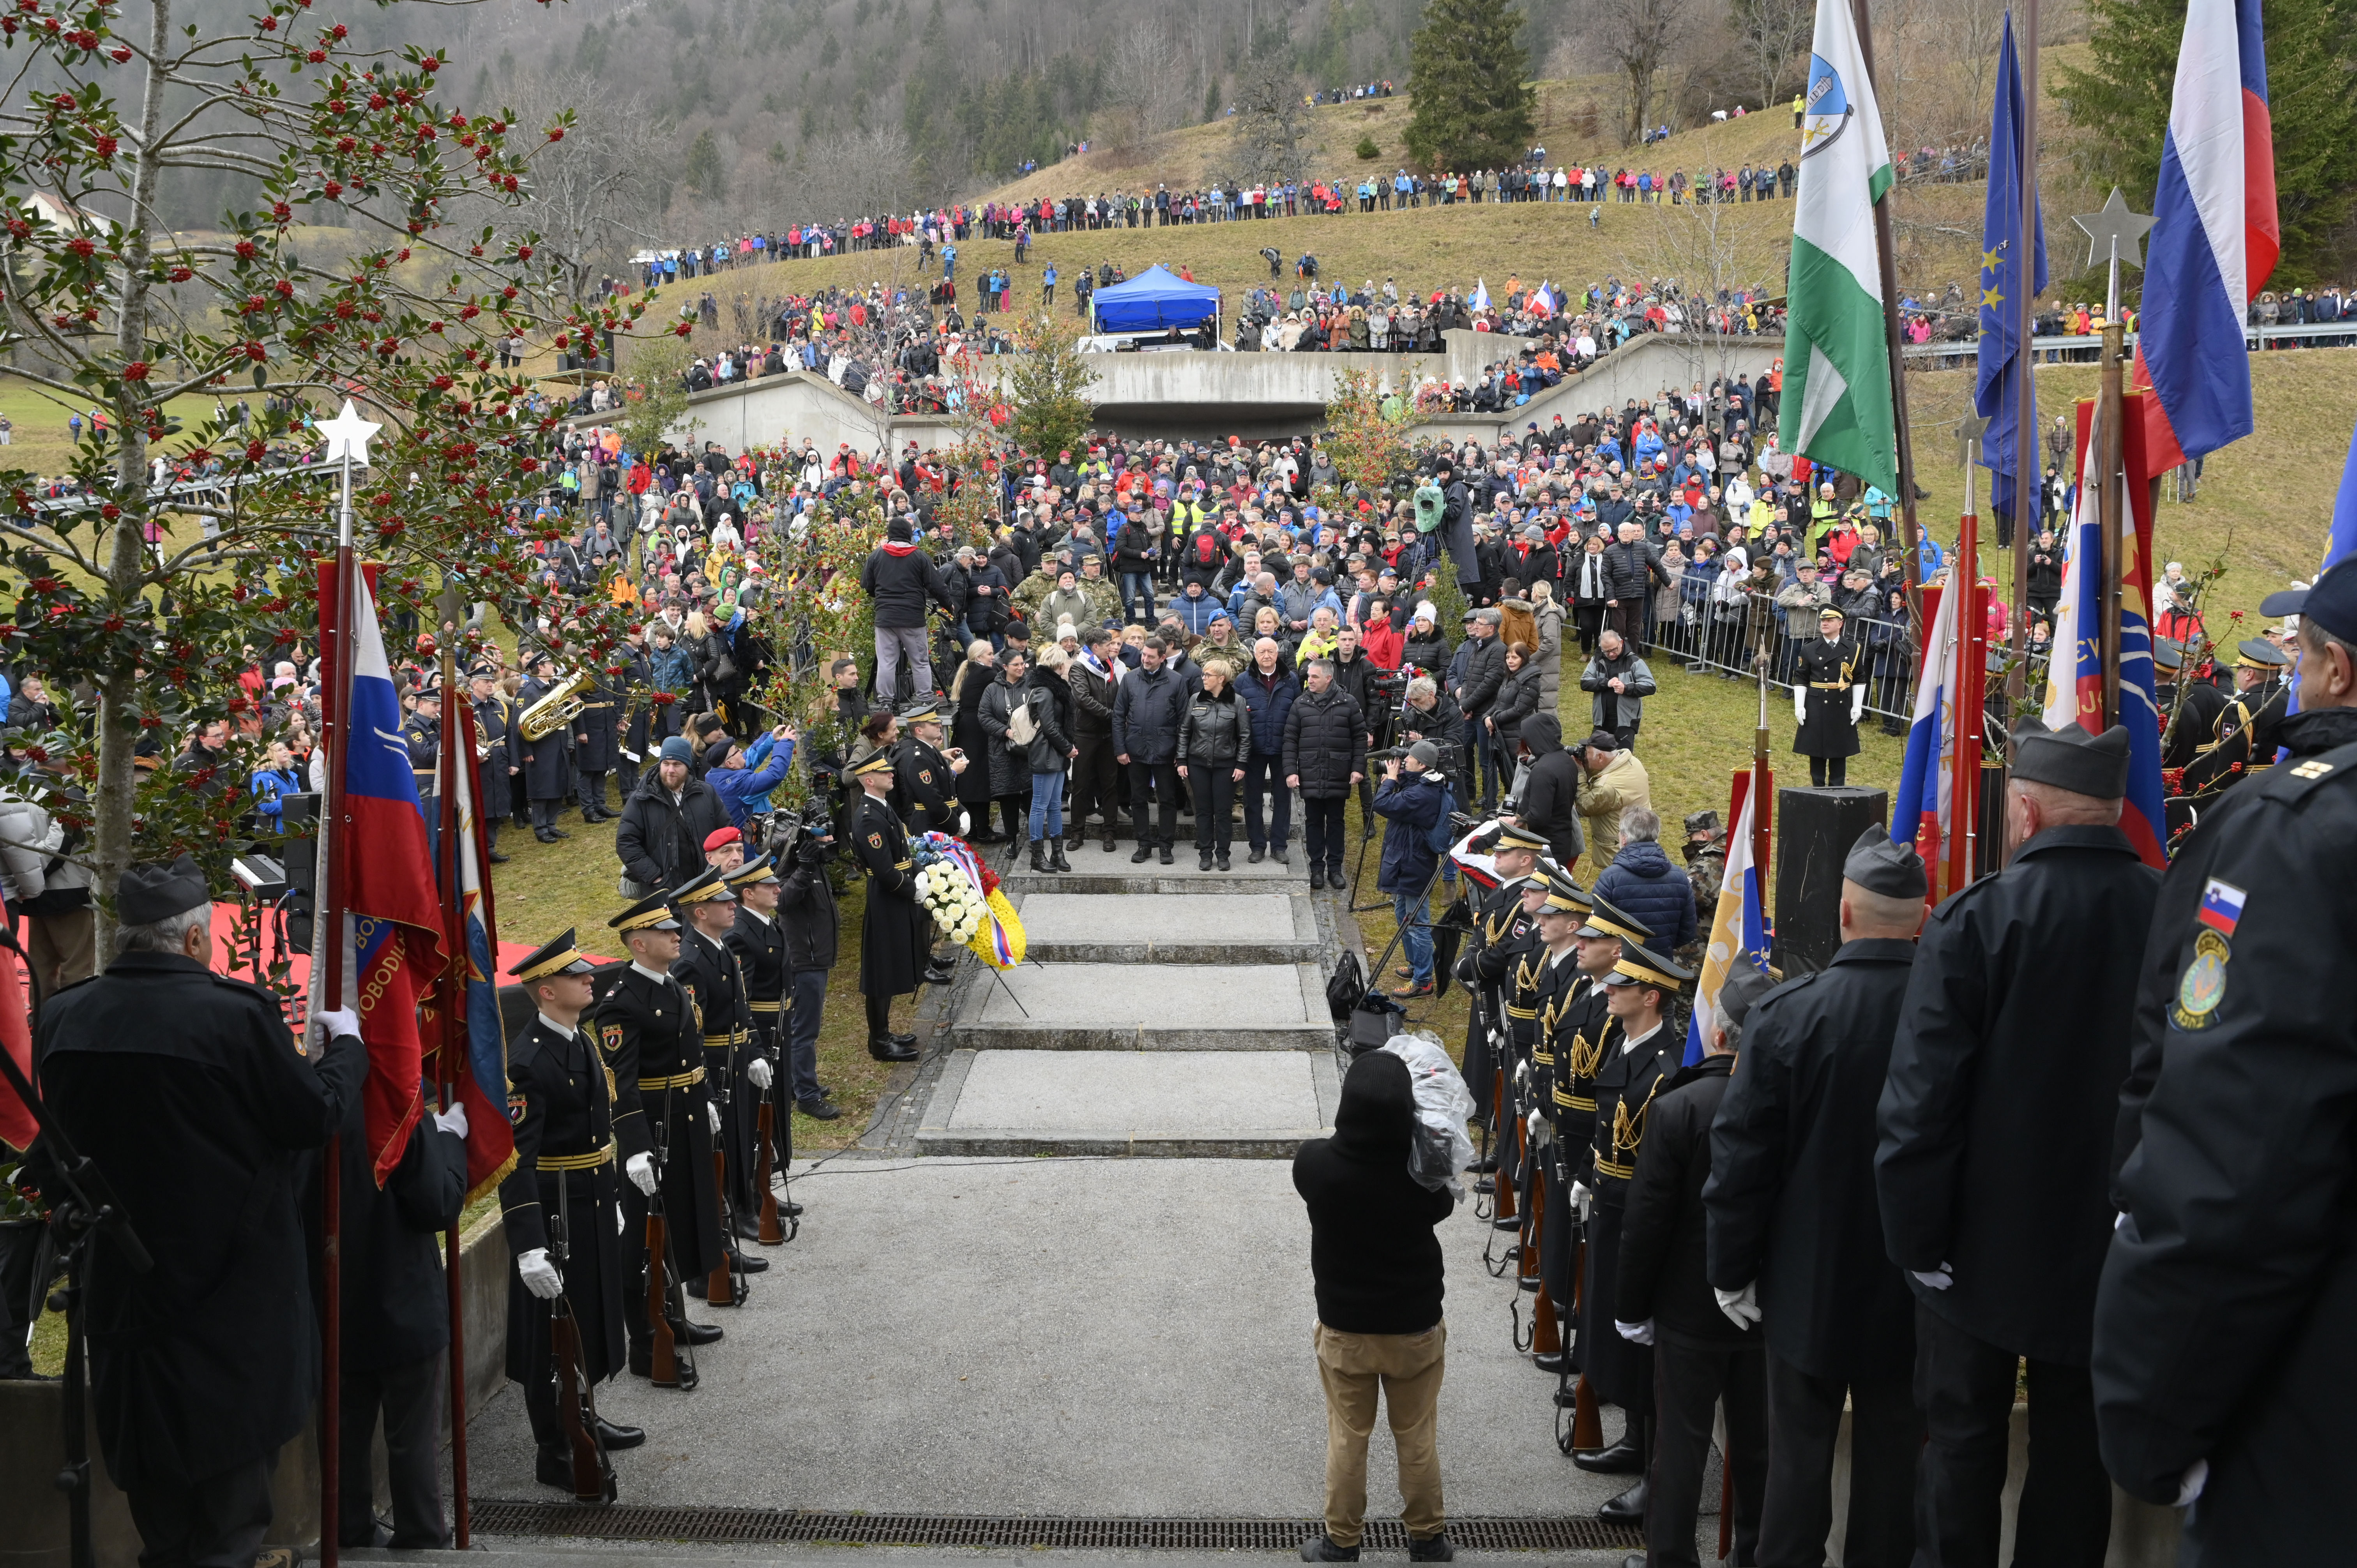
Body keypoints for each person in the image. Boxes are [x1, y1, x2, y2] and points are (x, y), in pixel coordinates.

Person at [2093, 568, 2357, 1562]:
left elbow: (2236, 1154)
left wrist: (2150, 1408)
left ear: (2334, 667)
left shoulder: (2295, 833)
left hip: (2311, 1410)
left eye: (2299, 655)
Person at [1876, 722, 2159, 1568]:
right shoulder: (2170, 913)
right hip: (2111, 1248)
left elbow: (1921, 1102)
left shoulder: (1978, 918)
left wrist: (1915, 1240)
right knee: (2077, 1456)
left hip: (1975, 1250)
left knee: (1961, 1445)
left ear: (2026, 813)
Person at [28, 856, 365, 1567]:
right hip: (232, 1295)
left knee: (159, 1493)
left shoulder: (64, 1013)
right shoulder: (233, 1015)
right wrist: (349, 1055)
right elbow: (312, 1116)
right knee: (231, 1503)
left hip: (128, 1288)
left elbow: (55, 1145)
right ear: (190, 941)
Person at [1706, 829, 1929, 1568]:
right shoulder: (1952, 1011)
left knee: (1796, 1465)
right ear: (1921, 920)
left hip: (1807, 1281)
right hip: (1914, 1279)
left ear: (1843, 913)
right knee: (1892, 1466)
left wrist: (1728, 1266)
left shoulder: (1790, 1013)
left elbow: (1743, 1156)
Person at [1614, 965, 1778, 1568]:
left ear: (1717, 1036)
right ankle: (1755, 1552)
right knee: (1759, 1443)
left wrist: (1631, 1307)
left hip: (1687, 1308)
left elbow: (1648, 1219)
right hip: (1764, 1303)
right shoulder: (1787, 1104)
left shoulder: (1681, 1106)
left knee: (1680, 1442)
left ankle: (1671, 1558)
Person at [1291, 1051, 1458, 1564]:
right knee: (1416, 1437)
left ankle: (1341, 1541)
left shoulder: (1316, 1166)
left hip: (1346, 1329)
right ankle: (1427, 1538)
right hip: (1414, 1328)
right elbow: (1445, 1201)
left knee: (1347, 1437)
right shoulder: (1421, 1176)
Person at [501, 931, 648, 1487]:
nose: (591, 979)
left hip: (588, 1199)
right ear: (546, 992)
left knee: (583, 1320)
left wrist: (609, 1192)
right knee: (550, 1334)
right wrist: (528, 1243)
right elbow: (518, 1157)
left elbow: (596, 1128)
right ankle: (554, 1449)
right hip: (554, 1209)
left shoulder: (578, 1038)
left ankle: (582, 1415)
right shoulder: (529, 1062)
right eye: (576, 975)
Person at [1570, 939, 1694, 1526]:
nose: (1610, 990)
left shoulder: (1669, 1068)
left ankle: (1653, 1468)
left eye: (1623, 986)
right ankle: (1634, 1439)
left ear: (1651, 997)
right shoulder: (1626, 1044)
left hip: (1640, 1217)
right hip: (1611, 1206)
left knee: (1645, 1344)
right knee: (1617, 1334)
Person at [595, 890, 727, 1375]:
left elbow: (693, 1052)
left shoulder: (672, 984)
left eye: (675, 928)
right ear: (638, 943)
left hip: (687, 1114)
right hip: (654, 1129)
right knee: (646, 1240)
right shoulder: (620, 1004)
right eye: (664, 931)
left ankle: (674, 1315)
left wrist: (708, 1097)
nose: (676, 935)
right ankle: (647, 1343)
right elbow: (619, 1084)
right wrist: (633, 1147)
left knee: (679, 1223)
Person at [671, 865, 767, 1253]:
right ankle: (731, 1214)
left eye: (731, 900)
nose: (732, 907)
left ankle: (747, 1203)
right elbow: (690, 1034)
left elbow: (742, 1009)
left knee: (744, 1135)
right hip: (715, 1064)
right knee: (724, 1143)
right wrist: (707, 1090)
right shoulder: (691, 961)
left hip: (738, 1057)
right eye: (722, 902)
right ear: (699, 912)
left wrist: (756, 1052)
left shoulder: (722, 948)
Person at [848, 745, 931, 1060]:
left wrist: (919, 873)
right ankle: (879, 1041)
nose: (891, 773)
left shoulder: (883, 807)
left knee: (890, 966)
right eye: (884, 772)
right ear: (869, 780)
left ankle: (884, 1032)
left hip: (898, 895)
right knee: (881, 972)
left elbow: (904, 851)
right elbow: (883, 870)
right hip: (888, 898)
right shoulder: (869, 818)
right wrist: (912, 890)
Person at [1371, 740, 1448, 996]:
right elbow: (1408, 788)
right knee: (1403, 915)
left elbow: (1383, 805)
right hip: (1408, 859)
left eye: (1410, 758)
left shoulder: (1423, 794)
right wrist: (1395, 779)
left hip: (1415, 863)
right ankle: (1417, 966)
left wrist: (1391, 782)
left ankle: (1424, 981)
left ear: (1423, 764)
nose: (1405, 762)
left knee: (1418, 924)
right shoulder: (1423, 783)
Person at [1285, 657, 1368, 892]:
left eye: (1314, 677)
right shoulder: (1300, 704)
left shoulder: (1349, 703)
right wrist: (1291, 771)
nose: (1309, 680)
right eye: (1309, 676)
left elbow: (1360, 738)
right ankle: (1317, 868)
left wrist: (1357, 767)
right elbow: (1290, 740)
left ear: (1328, 678)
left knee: (1336, 822)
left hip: (1338, 771)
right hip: (1310, 771)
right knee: (1312, 822)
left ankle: (1335, 868)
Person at [860, 516, 956, 704]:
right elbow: (936, 585)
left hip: (885, 618)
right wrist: (949, 605)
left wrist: (881, 596)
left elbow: (866, 585)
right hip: (913, 618)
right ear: (908, 534)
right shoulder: (919, 556)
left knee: (886, 663)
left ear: (889, 534)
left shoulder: (876, 556)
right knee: (920, 662)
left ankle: (886, 702)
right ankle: (926, 701)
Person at [617, 736, 730, 895]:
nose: (671, 770)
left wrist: (718, 866)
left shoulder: (706, 793)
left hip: (706, 884)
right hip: (663, 891)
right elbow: (626, 843)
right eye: (666, 764)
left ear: (687, 766)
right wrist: (654, 877)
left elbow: (726, 831)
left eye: (677, 764)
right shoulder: (641, 799)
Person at [1113, 635, 1191, 866]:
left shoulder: (1177, 681)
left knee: (1167, 799)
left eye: (1150, 656)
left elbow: (1185, 720)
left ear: (1162, 658)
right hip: (1136, 749)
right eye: (1143, 655)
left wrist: (1181, 753)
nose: (1145, 659)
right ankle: (1144, 844)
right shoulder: (1129, 679)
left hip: (1166, 751)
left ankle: (1166, 846)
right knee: (1138, 799)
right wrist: (1120, 748)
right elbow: (1118, 716)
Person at [1591, 805, 1697, 956]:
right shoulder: (1680, 877)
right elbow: (1688, 932)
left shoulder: (1610, 878)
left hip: (1619, 968)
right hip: (1662, 966)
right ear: (1656, 835)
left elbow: (1594, 926)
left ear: (1624, 838)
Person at [1177, 657, 1248, 871]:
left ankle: (1223, 855)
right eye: (1204, 675)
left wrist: (1241, 764)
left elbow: (1245, 736)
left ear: (1222, 678)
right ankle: (1206, 854)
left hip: (1226, 765)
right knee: (1204, 811)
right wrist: (1181, 760)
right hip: (1198, 764)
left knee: (1224, 811)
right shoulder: (1196, 699)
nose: (1204, 678)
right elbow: (1185, 732)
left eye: (1208, 675)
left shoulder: (1238, 702)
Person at [1238, 636, 1300, 865]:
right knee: (1252, 799)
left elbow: (1297, 712)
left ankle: (1279, 846)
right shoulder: (1243, 680)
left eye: (1271, 652)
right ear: (1255, 654)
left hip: (1283, 747)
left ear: (1278, 654)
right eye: (1262, 652)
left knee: (1283, 799)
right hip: (1253, 748)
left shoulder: (1290, 679)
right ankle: (1257, 846)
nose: (1266, 656)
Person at [1792, 606, 1864, 787]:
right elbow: (1801, 678)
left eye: (1830, 620)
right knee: (1816, 749)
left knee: (1840, 749)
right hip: (1816, 703)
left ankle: (1837, 790)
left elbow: (1860, 678)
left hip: (1841, 703)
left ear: (1840, 624)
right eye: (1823, 620)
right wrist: (1799, 706)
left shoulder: (1853, 648)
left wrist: (1857, 706)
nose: (1824, 623)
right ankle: (1818, 790)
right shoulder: (1810, 649)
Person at [1577, 731, 1652, 881]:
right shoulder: (1632, 762)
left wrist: (1580, 773)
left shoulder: (1607, 788)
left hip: (1617, 847)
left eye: (1588, 754)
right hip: (1642, 834)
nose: (1585, 757)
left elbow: (1585, 806)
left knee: (1618, 881)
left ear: (1600, 757)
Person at [1511, 714, 1584, 869]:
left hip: (1545, 848)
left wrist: (1515, 823)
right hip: (1563, 840)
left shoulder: (1543, 770)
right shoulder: (1566, 760)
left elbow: (1538, 817)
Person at [516, 652, 574, 841]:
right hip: (540, 748)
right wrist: (526, 751)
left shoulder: (555, 688)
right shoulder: (527, 692)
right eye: (550, 664)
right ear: (540, 667)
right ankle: (540, 828)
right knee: (542, 788)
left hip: (558, 741)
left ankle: (551, 824)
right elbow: (520, 724)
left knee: (558, 784)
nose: (554, 667)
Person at [1579, 629, 1656, 751]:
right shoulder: (1597, 660)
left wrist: (1626, 688)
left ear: (1621, 643)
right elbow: (1585, 683)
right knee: (1596, 759)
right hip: (1601, 721)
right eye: (1606, 651)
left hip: (1626, 721)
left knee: (1622, 759)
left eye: (1614, 650)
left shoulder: (1634, 661)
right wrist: (1606, 683)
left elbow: (1650, 686)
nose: (1611, 654)